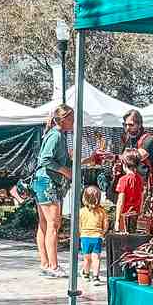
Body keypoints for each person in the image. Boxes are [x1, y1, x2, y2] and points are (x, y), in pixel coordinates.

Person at [32, 104, 74, 277]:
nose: (73, 122)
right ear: (63, 120)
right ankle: (54, 266)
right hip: (47, 182)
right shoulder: (56, 135)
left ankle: (45, 263)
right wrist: (65, 171)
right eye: (71, 119)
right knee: (53, 224)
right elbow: (46, 159)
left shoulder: (56, 135)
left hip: (41, 182)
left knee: (44, 224)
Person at [122, 110, 153, 187]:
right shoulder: (128, 140)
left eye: (131, 125)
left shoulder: (148, 140)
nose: (127, 128)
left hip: (144, 186)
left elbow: (136, 157)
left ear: (139, 125)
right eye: (125, 125)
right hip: (130, 183)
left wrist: (115, 157)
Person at [78, 184, 110, 286]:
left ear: (84, 198)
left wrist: (80, 233)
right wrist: (102, 233)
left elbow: (78, 225)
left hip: (85, 237)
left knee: (87, 258)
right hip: (97, 237)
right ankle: (96, 277)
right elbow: (105, 225)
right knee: (96, 258)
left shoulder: (81, 211)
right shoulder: (102, 212)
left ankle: (86, 274)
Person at [115, 150, 146, 232]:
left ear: (124, 163)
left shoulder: (123, 180)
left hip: (124, 216)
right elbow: (142, 197)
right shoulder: (139, 179)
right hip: (135, 214)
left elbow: (120, 201)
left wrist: (117, 220)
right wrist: (140, 212)